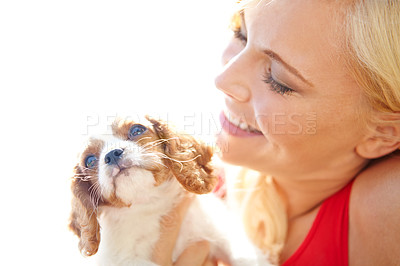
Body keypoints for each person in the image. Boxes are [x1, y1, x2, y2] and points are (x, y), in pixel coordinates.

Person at [151, 0, 400, 265]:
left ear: (381, 134)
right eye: (241, 34)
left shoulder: (386, 205)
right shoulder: (202, 187)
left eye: (278, 81)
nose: (223, 80)